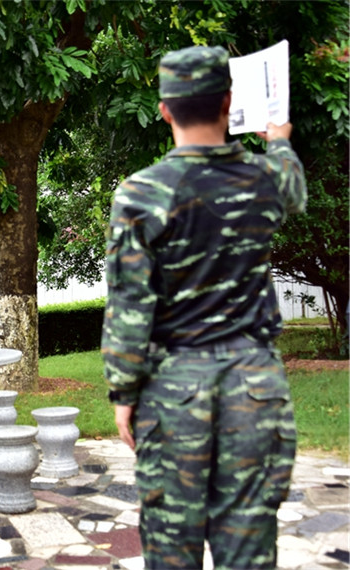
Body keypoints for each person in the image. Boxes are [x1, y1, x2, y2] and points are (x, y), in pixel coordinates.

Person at [100, 45, 307, 569]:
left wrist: (124, 392)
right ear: (228, 103)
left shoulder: (141, 194)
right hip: (256, 386)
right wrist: (278, 140)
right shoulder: (265, 178)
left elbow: (130, 305)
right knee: (249, 547)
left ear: (165, 110)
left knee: (172, 549)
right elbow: (295, 190)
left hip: (174, 390)